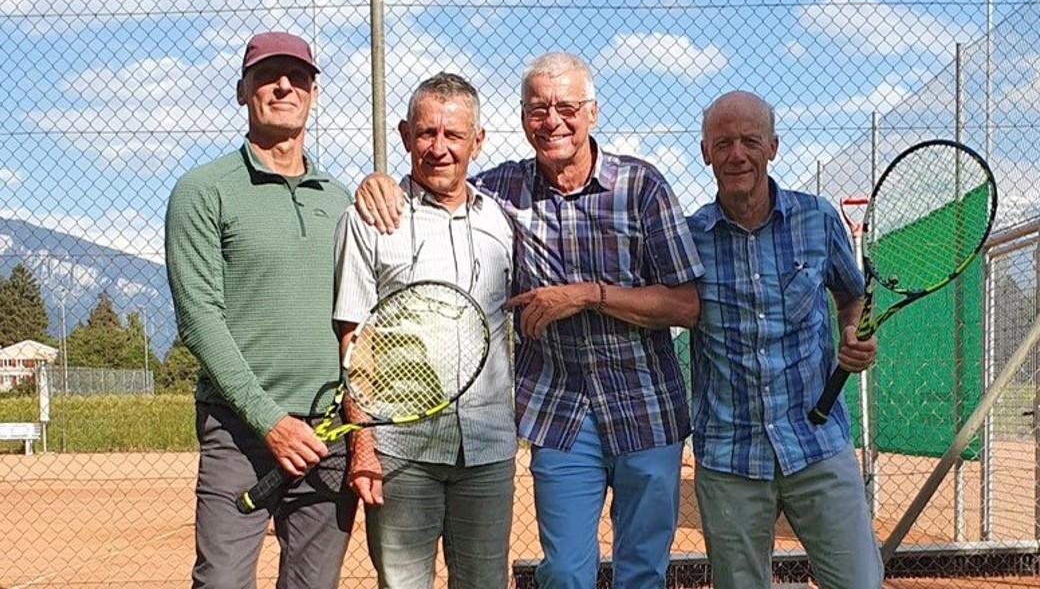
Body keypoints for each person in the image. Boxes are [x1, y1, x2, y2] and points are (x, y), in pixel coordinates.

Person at [355, 53, 702, 589]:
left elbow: (686, 304)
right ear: (521, 119)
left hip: (647, 410)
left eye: (567, 107)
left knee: (642, 572)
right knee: (564, 572)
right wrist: (379, 182)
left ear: (592, 112)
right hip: (561, 414)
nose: (552, 121)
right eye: (538, 109)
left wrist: (587, 296)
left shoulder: (641, 186)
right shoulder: (502, 192)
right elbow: (442, 178)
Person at [165, 31, 355, 589]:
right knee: (221, 582)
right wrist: (269, 420)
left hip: (327, 433)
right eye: (268, 75)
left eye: (297, 77)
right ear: (243, 91)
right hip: (238, 430)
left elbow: (357, 316)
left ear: (313, 93)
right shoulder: (203, 190)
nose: (283, 86)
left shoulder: (339, 198)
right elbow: (199, 319)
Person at [686, 90, 882, 589]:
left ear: (772, 147)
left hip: (817, 444)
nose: (737, 154)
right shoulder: (689, 237)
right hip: (729, 456)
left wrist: (852, 331)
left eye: (750, 141)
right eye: (723, 143)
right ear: (705, 152)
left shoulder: (818, 218)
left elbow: (851, 296)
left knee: (859, 581)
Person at [333, 72, 516, 588]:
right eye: (426, 133)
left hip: (487, 448)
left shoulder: (501, 221)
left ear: (477, 141)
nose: (439, 148)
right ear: (404, 134)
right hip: (400, 450)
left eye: (453, 135)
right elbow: (354, 341)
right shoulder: (369, 218)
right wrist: (363, 445)